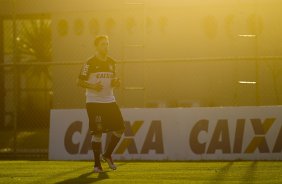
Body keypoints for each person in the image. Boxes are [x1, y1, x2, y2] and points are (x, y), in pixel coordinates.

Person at [77, 35, 125, 173]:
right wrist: (92, 86)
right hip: (94, 102)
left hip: (110, 100)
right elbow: (79, 82)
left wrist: (116, 83)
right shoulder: (89, 63)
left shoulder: (112, 62)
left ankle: (107, 154)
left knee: (120, 128)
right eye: (103, 44)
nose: (106, 46)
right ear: (96, 46)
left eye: (107, 44)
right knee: (97, 133)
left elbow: (113, 81)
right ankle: (97, 165)